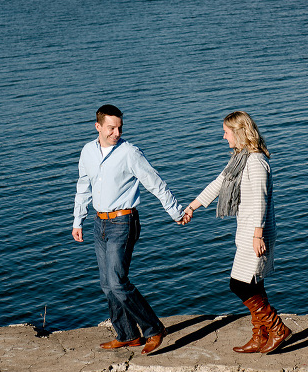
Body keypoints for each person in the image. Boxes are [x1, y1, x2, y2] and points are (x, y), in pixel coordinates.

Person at [72, 104, 186, 355]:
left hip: (123, 223)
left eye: (119, 128)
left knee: (117, 282)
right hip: (99, 222)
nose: (116, 133)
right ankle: (127, 334)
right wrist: (77, 220)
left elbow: (155, 183)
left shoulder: (130, 152)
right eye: (111, 128)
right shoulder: (88, 152)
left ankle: (154, 329)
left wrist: (175, 212)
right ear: (98, 127)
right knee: (106, 284)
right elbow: (83, 187)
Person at [183, 111, 291, 354]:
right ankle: (260, 336)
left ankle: (277, 328)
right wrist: (191, 208)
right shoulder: (239, 160)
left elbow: (261, 201)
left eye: (226, 132)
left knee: (239, 285)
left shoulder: (255, 161)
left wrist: (257, 235)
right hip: (248, 231)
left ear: (239, 132)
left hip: (258, 232)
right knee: (254, 284)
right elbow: (218, 184)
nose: (223, 137)